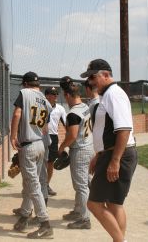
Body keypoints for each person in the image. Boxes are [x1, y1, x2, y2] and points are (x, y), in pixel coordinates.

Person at [81, 59, 137, 242]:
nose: (90, 81)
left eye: (93, 77)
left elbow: (124, 129)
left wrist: (114, 160)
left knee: (94, 203)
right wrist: (99, 154)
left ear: (105, 74)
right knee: (114, 204)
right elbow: (105, 131)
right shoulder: (108, 95)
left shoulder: (114, 94)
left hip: (117, 154)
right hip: (111, 153)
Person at [10, 71, 53, 239]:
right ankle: (25, 216)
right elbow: (45, 128)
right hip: (40, 144)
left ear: (26, 83)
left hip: (29, 146)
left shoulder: (25, 92)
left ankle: (45, 223)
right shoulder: (46, 100)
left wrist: (13, 136)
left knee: (33, 185)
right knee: (31, 182)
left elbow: (17, 114)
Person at [58, 77, 94, 229]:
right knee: (83, 183)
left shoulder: (72, 113)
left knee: (81, 186)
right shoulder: (85, 106)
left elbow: (72, 135)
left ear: (67, 95)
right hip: (88, 147)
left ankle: (85, 219)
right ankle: (78, 211)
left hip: (80, 150)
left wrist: (62, 147)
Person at [44, 87, 67, 196]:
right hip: (41, 136)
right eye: (53, 94)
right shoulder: (41, 106)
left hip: (53, 137)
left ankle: (46, 185)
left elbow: (66, 124)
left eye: (56, 94)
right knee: (40, 162)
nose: (56, 96)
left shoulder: (60, 109)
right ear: (47, 95)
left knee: (50, 163)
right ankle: (37, 185)